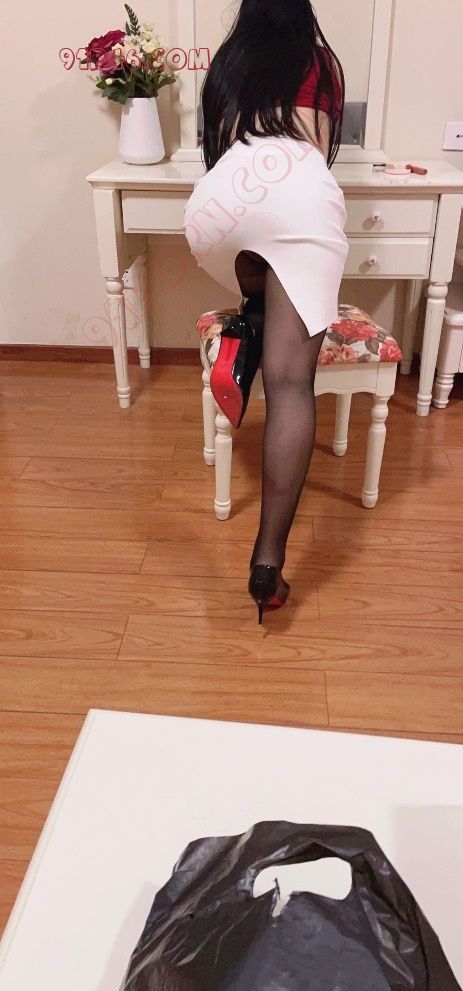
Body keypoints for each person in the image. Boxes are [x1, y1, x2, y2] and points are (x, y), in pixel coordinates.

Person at [183, 0, 349, 624]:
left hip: (219, 211)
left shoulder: (230, 60)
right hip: (300, 196)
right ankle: (267, 562)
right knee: (291, 384)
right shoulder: (321, 63)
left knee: (257, 269)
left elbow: (215, 150)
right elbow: (319, 154)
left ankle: (246, 327)